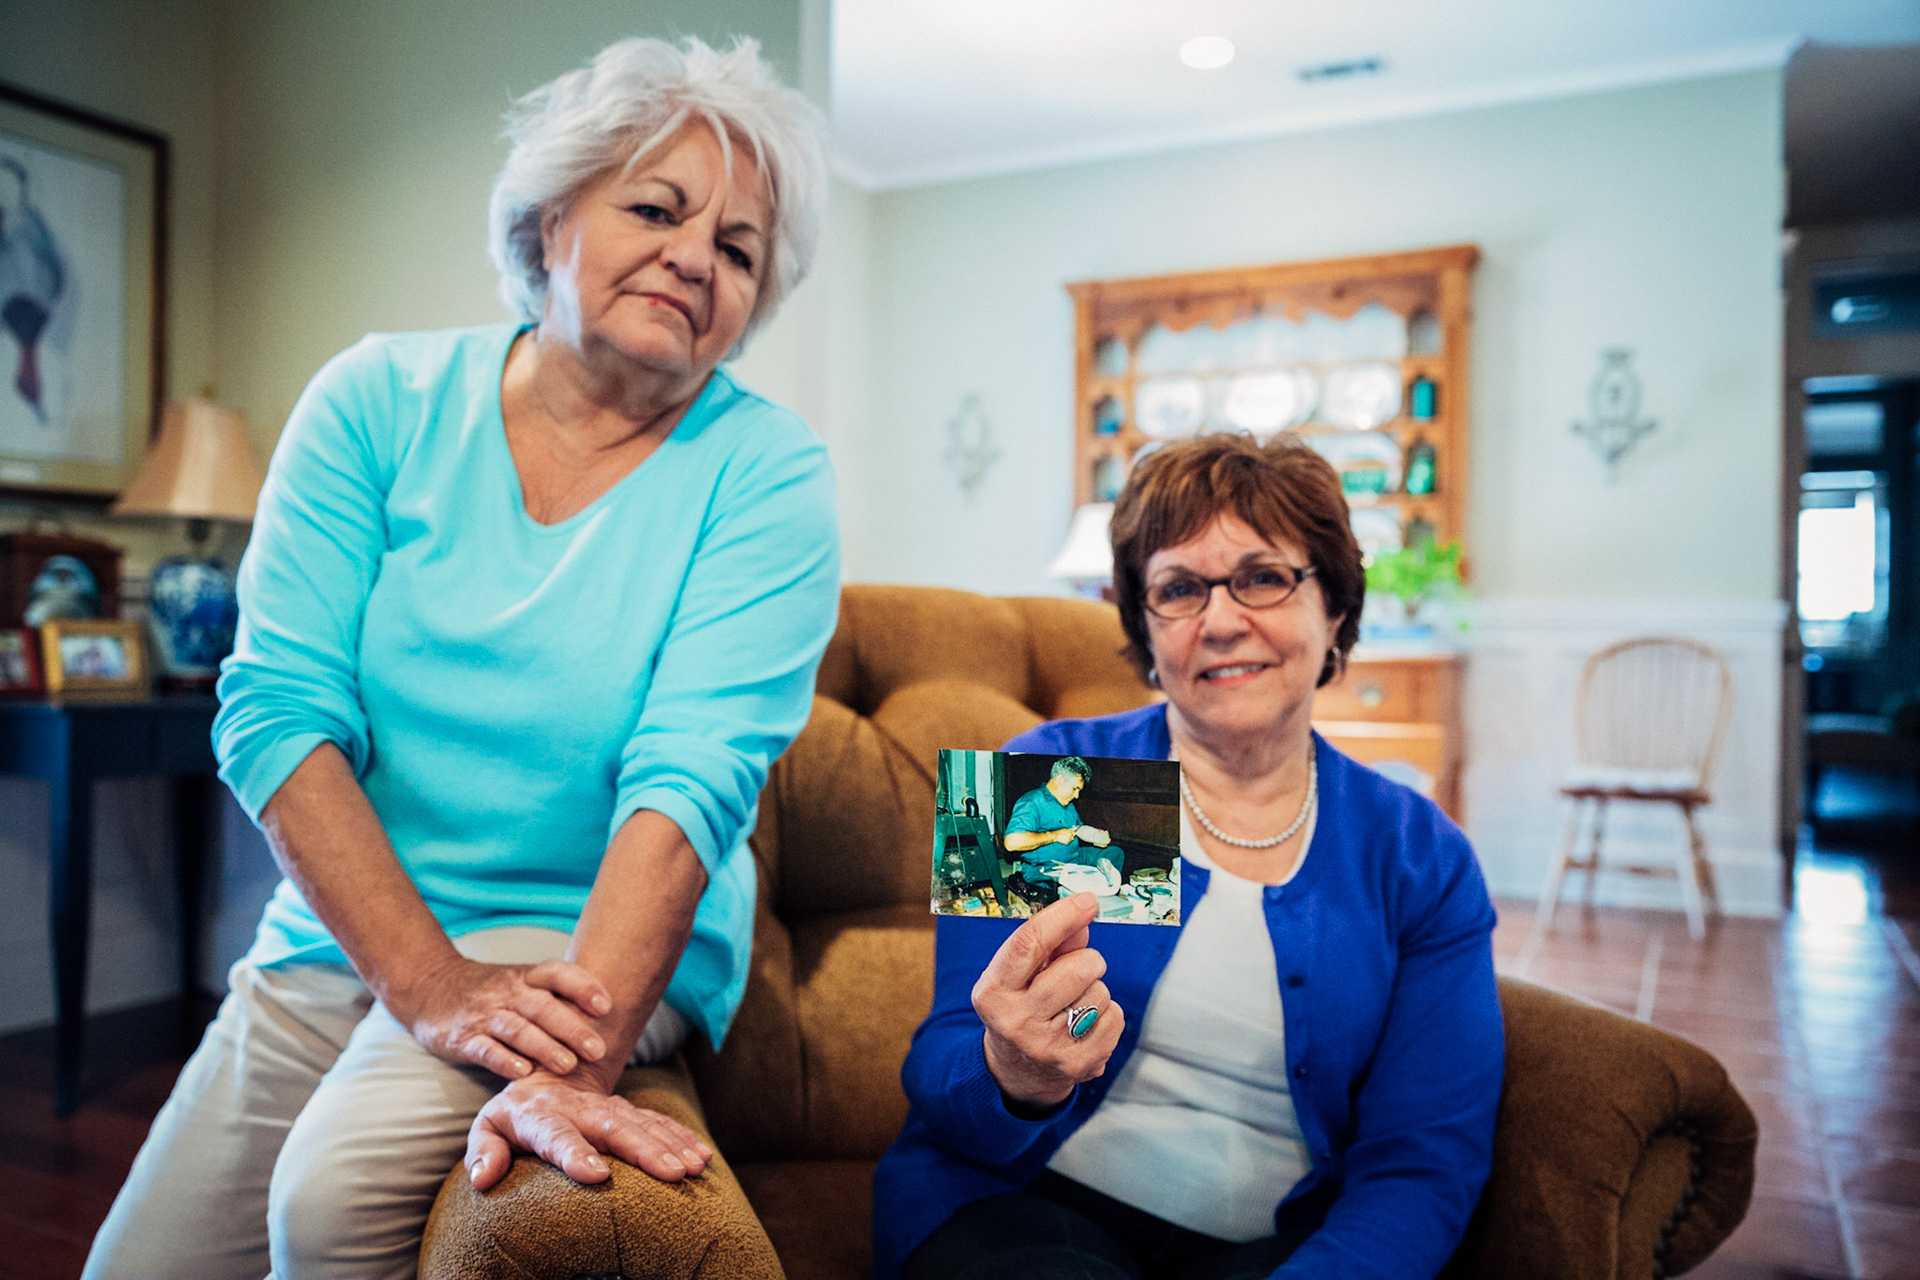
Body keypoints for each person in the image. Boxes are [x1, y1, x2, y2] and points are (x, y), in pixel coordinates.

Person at [84, 35, 837, 1280]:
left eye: (741, 248)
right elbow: (277, 710)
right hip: (345, 926)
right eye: (657, 207)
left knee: (327, 1206)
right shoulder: (373, 401)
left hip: (575, 945)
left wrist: (573, 1057)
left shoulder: (767, 473)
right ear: (548, 221)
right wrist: (426, 980)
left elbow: (691, 777)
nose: (698, 255)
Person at [874, 434, 1503, 1280]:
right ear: (1142, 624)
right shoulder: (1062, 782)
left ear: (1337, 609)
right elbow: (941, 1066)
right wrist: (1011, 1074)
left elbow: (1423, 1164)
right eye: (1178, 588)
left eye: (1263, 577)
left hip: (1276, 1249)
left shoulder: (1416, 854)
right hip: (1012, 1206)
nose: (1220, 619)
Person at [1003, 756, 1121, 902]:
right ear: (1059, 779)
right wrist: (1055, 835)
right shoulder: (1032, 801)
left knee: (1115, 853)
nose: (1077, 795)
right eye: (1074, 788)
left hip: (1075, 858)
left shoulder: (1067, 803)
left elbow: (1077, 828)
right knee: (1076, 887)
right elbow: (1011, 842)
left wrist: (1095, 836)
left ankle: (1104, 898)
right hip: (1048, 867)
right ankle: (1092, 903)